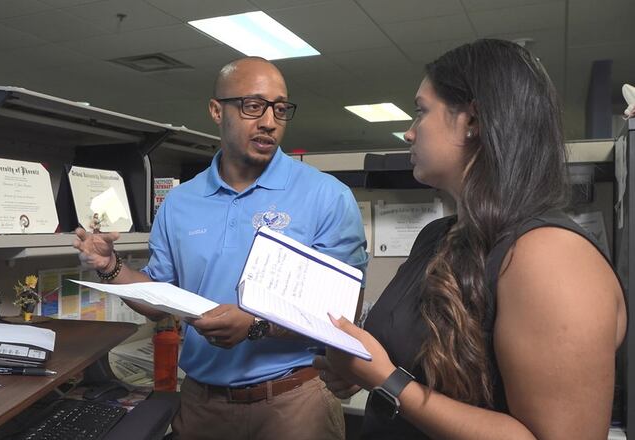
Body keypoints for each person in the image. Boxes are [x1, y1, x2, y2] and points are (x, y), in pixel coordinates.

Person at [313, 39, 627, 439]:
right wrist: (357, 371)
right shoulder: (437, 236)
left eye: (421, 111)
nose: (409, 133)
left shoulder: (550, 256)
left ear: (473, 120)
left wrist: (386, 381)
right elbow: (423, 370)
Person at [74, 56, 368, 440]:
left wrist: (256, 326)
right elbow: (157, 296)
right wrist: (111, 266)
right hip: (202, 404)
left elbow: (343, 314)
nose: (269, 121)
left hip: (295, 402)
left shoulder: (327, 196)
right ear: (216, 110)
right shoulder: (180, 202)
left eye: (280, 109)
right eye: (252, 106)